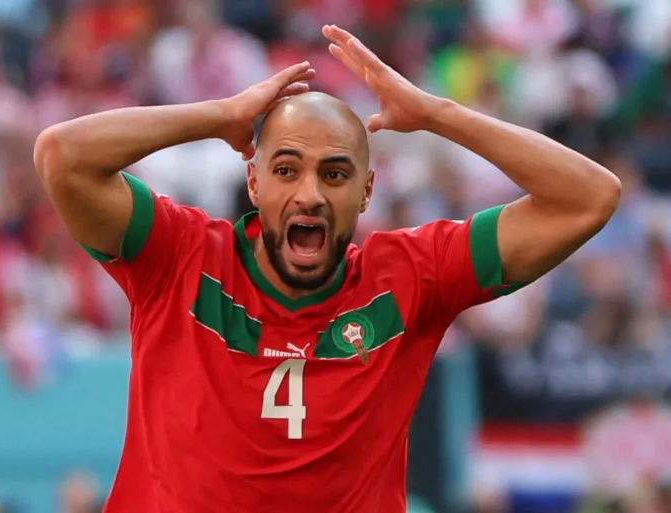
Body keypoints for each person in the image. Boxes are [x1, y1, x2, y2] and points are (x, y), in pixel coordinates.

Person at [34, 25, 621, 513]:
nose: (310, 194)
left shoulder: (412, 278)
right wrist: (220, 115)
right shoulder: (178, 256)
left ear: (366, 192)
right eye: (286, 170)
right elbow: (62, 156)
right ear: (253, 182)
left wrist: (436, 113)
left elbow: (589, 198)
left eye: (334, 174)